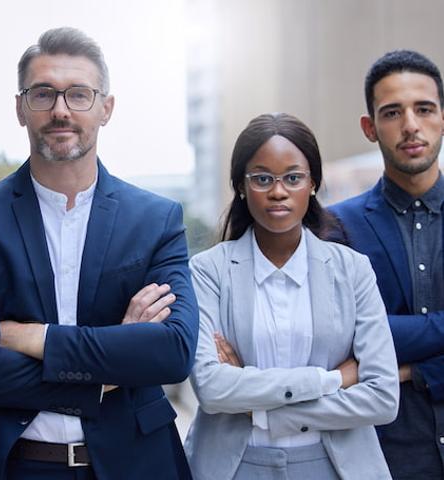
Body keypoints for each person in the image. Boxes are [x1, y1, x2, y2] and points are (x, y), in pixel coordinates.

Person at [0, 27, 198, 480]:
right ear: (20, 108)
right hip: (12, 466)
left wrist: (35, 338)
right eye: (43, 94)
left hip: (134, 464)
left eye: (79, 94)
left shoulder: (156, 219)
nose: (60, 110)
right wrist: (110, 367)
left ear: (106, 108)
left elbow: (172, 352)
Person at [184, 113, 399, 479]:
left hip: (335, 466)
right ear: (240, 185)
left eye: (293, 177)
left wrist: (261, 409)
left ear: (313, 183)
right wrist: (330, 380)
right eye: (262, 178)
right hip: (234, 466)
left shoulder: (353, 270)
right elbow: (213, 389)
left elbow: (382, 398)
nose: (278, 191)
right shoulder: (209, 270)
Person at [330, 50, 444, 479]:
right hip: (384, 460)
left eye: (424, 109)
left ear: (443, 118)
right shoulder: (336, 226)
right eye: (392, 112)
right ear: (370, 127)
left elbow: (370, 342)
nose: (411, 125)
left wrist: (413, 370)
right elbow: (341, 337)